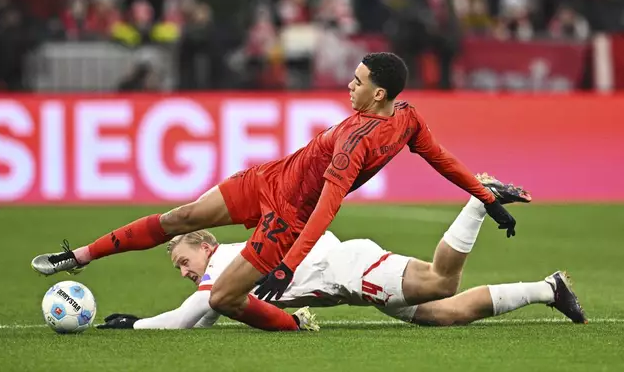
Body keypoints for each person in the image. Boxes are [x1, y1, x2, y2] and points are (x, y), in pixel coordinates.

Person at [32, 52, 519, 332]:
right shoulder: (404, 115)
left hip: (286, 215)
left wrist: (288, 261)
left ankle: (295, 325)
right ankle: (81, 255)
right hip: (267, 178)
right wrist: (486, 196)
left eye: (358, 80)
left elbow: (327, 208)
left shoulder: (363, 139)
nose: (350, 85)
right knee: (182, 216)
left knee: (223, 297)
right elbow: (446, 161)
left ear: (378, 95)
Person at [96, 176, 586, 330]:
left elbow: (190, 315)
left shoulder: (226, 262)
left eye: (184, 261)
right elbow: (202, 320)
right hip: (351, 279)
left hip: (353, 270)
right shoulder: (224, 272)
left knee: (442, 282)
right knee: (447, 314)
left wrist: (133, 325)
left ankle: (478, 196)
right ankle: (549, 288)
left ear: (205, 245)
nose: (184, 271)